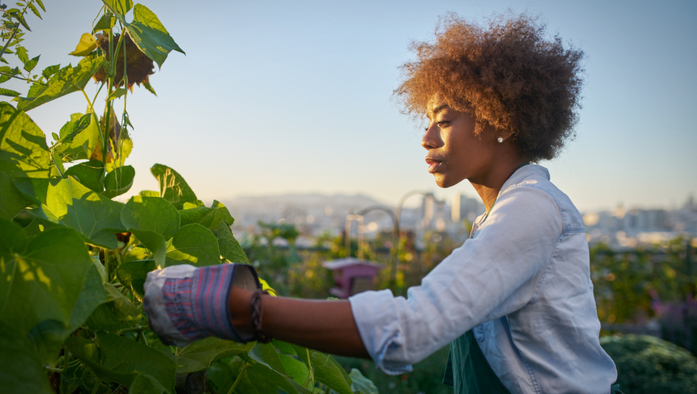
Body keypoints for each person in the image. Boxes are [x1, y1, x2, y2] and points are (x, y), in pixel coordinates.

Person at [144, 13, 620, 394]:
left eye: (444, 120)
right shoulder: (504, 213)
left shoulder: (530, 211)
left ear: (500, 118)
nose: (426, 138)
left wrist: (240, 308)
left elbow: (410, 329)